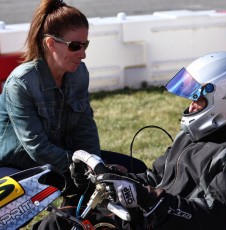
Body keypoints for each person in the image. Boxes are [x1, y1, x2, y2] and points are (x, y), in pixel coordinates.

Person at [36, 51, 226, 229]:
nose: (190, 106)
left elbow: (212, 218)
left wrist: (147, 198)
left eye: (198, 99)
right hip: (152, 218)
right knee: (62, 220)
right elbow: (157, 179)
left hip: (171, 222)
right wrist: (114, 179)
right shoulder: (195, 136)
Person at [0, 0, 146, 188]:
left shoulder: (79, 73)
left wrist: (96, 165)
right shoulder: (21, 83)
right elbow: (38, 148)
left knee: (136, 170)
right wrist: (89, 169)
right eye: (75, 46)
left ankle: (80, 212)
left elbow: (85, 129)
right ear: (50, 43)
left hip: (65, 161)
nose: (83, 54)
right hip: (20, 167)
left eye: (86, 45)